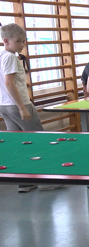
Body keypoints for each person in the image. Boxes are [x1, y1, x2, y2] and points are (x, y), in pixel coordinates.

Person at [0, 24, 43, 192]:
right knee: (39, 140)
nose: (22, 44)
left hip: (4, 105)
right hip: (19, 105)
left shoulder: (2, 56)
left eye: (24, 41)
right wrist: (22, 108)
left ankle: (25, 181)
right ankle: (47, 179)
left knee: (20, 143)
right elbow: (9, 83)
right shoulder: (10, 58)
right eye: (18, 41)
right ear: (6, 41)